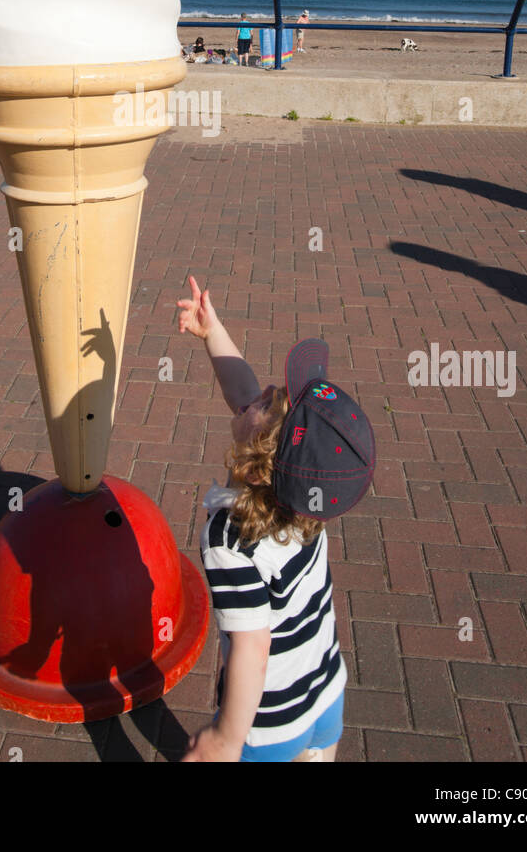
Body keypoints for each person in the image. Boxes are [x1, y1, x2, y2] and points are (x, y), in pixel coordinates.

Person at [176, 275, 375, 764]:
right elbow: (243, 393)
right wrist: (212, 331)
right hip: (325, 688)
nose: (263, 389)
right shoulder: (305, 501)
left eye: (268, 404)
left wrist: (226, 739)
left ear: (261, 459)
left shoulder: (230, 537)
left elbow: (252, 648)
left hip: (269, 723)